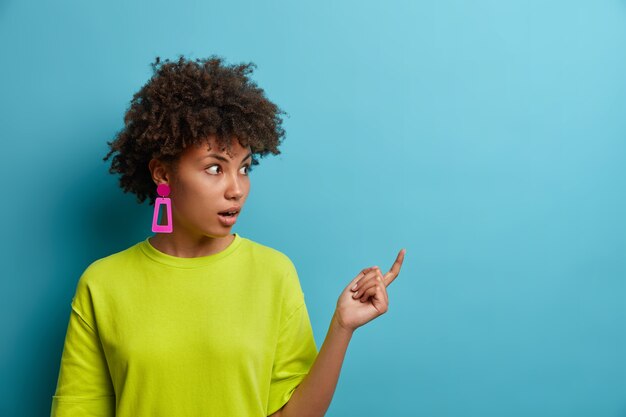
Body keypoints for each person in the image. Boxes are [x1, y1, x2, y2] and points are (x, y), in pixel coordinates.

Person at [50, 55, 406, 417]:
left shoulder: (273, 273)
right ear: (162, 173)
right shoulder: (103, 284)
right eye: (215, 168)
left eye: (245, 168)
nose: (237, 189)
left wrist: (342, 327)